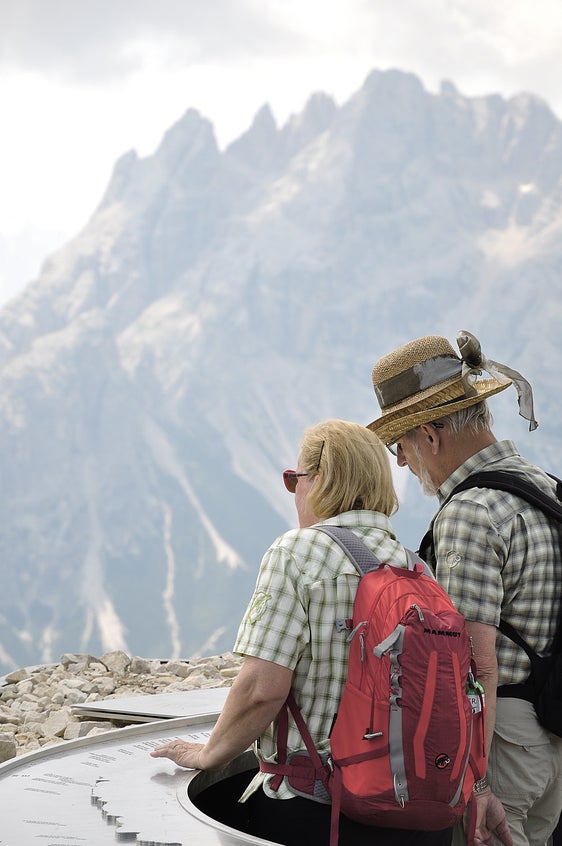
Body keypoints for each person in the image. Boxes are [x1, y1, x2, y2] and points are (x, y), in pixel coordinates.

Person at [150, 419, 454, 846]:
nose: (293, 492)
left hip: (320, 808)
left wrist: (209, 754)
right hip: (419, 810)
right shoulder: (417, 567)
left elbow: (261, 689)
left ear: (322, 481)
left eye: (294, 479)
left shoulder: (296, 552)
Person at [368, 330, 562, 846]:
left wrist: (475, 781)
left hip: (501, 741)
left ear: (430, 435)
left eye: (400, 445)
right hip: (549, 737)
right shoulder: (545, 486)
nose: (401, 462)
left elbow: (472, 667)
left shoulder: (470, 513)